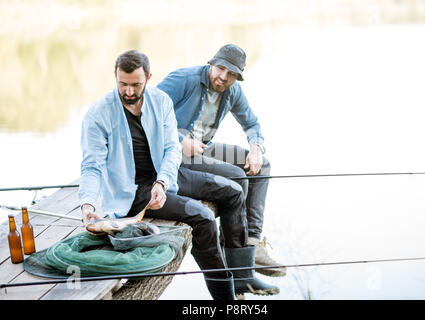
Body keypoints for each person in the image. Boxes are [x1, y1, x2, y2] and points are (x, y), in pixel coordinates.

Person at [78, 49, 278, 299]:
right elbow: (91, 165)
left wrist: (162, 182)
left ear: (148, 78)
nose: (129, 92)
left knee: (234, 191)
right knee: (203, 216)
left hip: (167, 175)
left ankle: (242, 275)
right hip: (133, 191)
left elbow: (172, 148)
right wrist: (87, 204)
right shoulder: (99, 114)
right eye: (123, 84)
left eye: (136, 85)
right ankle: (224, 296)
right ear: (115, 78)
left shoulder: (159, 101)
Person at [157, 44, 286, 277]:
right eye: (220, 69)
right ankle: (234, 248)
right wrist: (179, 139)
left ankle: (253, 241)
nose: (223, 77)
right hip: (175, 153)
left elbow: (252, 124)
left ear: (238, 76)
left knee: (262, 164)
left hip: (202, 149)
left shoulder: (232, 90)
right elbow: (150, 111)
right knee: (237, 177)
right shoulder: (183, 79)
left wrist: (256, 147)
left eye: (232, 74)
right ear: (211, 63)